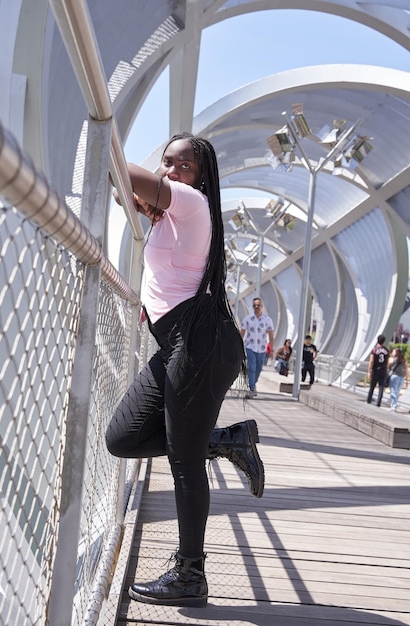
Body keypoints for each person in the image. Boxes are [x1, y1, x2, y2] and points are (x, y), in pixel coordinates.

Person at [105, 132, 265, 608]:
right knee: (123, 437)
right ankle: (226, 441)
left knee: (183, 460)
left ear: (201, 177)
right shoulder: (175, 215)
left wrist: (115, 144)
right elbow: (122, 190)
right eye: (166, 163)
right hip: (179, 341)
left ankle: (190, 575)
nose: (170, 172)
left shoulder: (194, 203)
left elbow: (127, 174)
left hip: (199, 343)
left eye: (182, 165)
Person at [240, 297, 274, 398]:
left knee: (258, 368)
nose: (256, 307)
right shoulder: (248, 319)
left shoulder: (267, 320)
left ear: (262, 306)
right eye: (254, 305)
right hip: (250, 346)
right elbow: (242, 333)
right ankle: (251, 389)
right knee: (252, 367)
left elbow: (271, 336)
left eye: (258, 305)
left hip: (262, 348)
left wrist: (271, 350)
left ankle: (252, 384)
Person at [366, 334, 389, 406]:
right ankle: (378, 403)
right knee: (381, 387)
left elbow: (371, 361)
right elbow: (387, 361)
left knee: (372, 386)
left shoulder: (374, 350)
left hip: (375, 370)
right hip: (383, 370)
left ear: (377, 340)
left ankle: (368, 400)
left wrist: (369, 371)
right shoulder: (387, 350)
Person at [387, 347, 409, 411]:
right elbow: (406, 371)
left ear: (396, 353)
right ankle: (394, 404)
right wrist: (407, 380)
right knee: (397, 392)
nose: (392, 353)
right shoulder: (404, 361)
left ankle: (393, 406)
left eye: (393, 352)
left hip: (394, 377)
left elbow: (387, 366)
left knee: (393, 392)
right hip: (402, 378)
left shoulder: (392, 359)